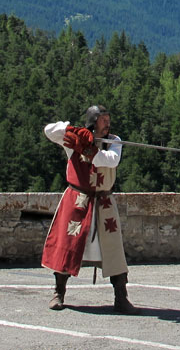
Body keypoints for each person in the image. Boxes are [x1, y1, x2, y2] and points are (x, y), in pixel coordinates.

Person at [42, 105, 140, 315]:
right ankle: (58, 293)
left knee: (113, 250)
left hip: (103, 203)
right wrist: (70, 130)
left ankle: (121, 298)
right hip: (78, 201)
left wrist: (89, 149)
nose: (108, 124)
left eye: (108, 119)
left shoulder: (114, 141)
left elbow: (109, 161)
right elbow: (49, 131)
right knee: (67, 245)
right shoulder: (74, 140)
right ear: (93, 121)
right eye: (104, 120)